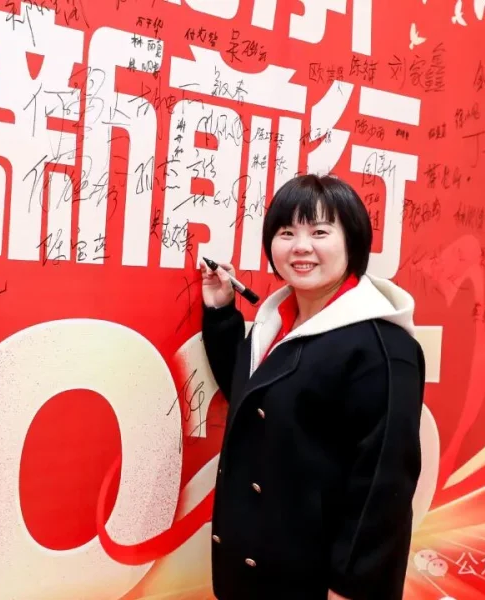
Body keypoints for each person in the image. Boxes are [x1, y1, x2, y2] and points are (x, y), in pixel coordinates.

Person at [200, 173, 426, 600]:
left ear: (353, 241)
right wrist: (221, 311)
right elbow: (252, 394)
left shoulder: (381, 348)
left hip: (316, 581)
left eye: (320, 232)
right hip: (252, 570)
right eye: (287, 233)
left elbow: (381, 485)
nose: (300, 246)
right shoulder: (277, 321)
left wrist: (351, 587)